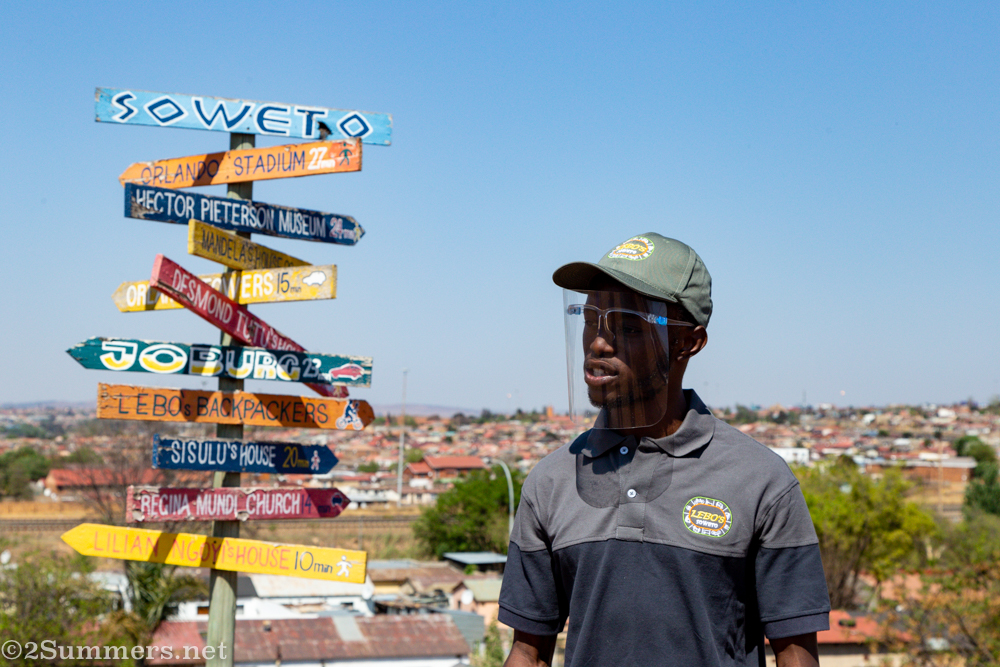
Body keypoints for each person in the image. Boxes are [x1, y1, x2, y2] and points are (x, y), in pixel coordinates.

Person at [499, 234, 830, 667]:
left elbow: (796, 655)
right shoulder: (550, 482)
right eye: (591, 319)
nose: (599, 344)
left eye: (628, 326)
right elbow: (528, 653)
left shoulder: (762, 481)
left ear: (688, 342)